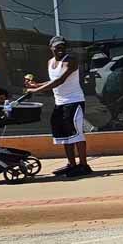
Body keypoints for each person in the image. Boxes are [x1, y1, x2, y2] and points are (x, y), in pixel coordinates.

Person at [24, 36, 91, 177]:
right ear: (51, 48)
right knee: (65, 136)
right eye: (57, 47)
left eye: (62, 46)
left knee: (77, 135)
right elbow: (53, 80)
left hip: (74, 101)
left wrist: (36, 90)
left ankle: (84, 165)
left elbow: (60, 80)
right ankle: (72, 164)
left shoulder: (70, 61)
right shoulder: (50, 62)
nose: (60, 49)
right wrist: (36, 84)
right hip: (59, 102)